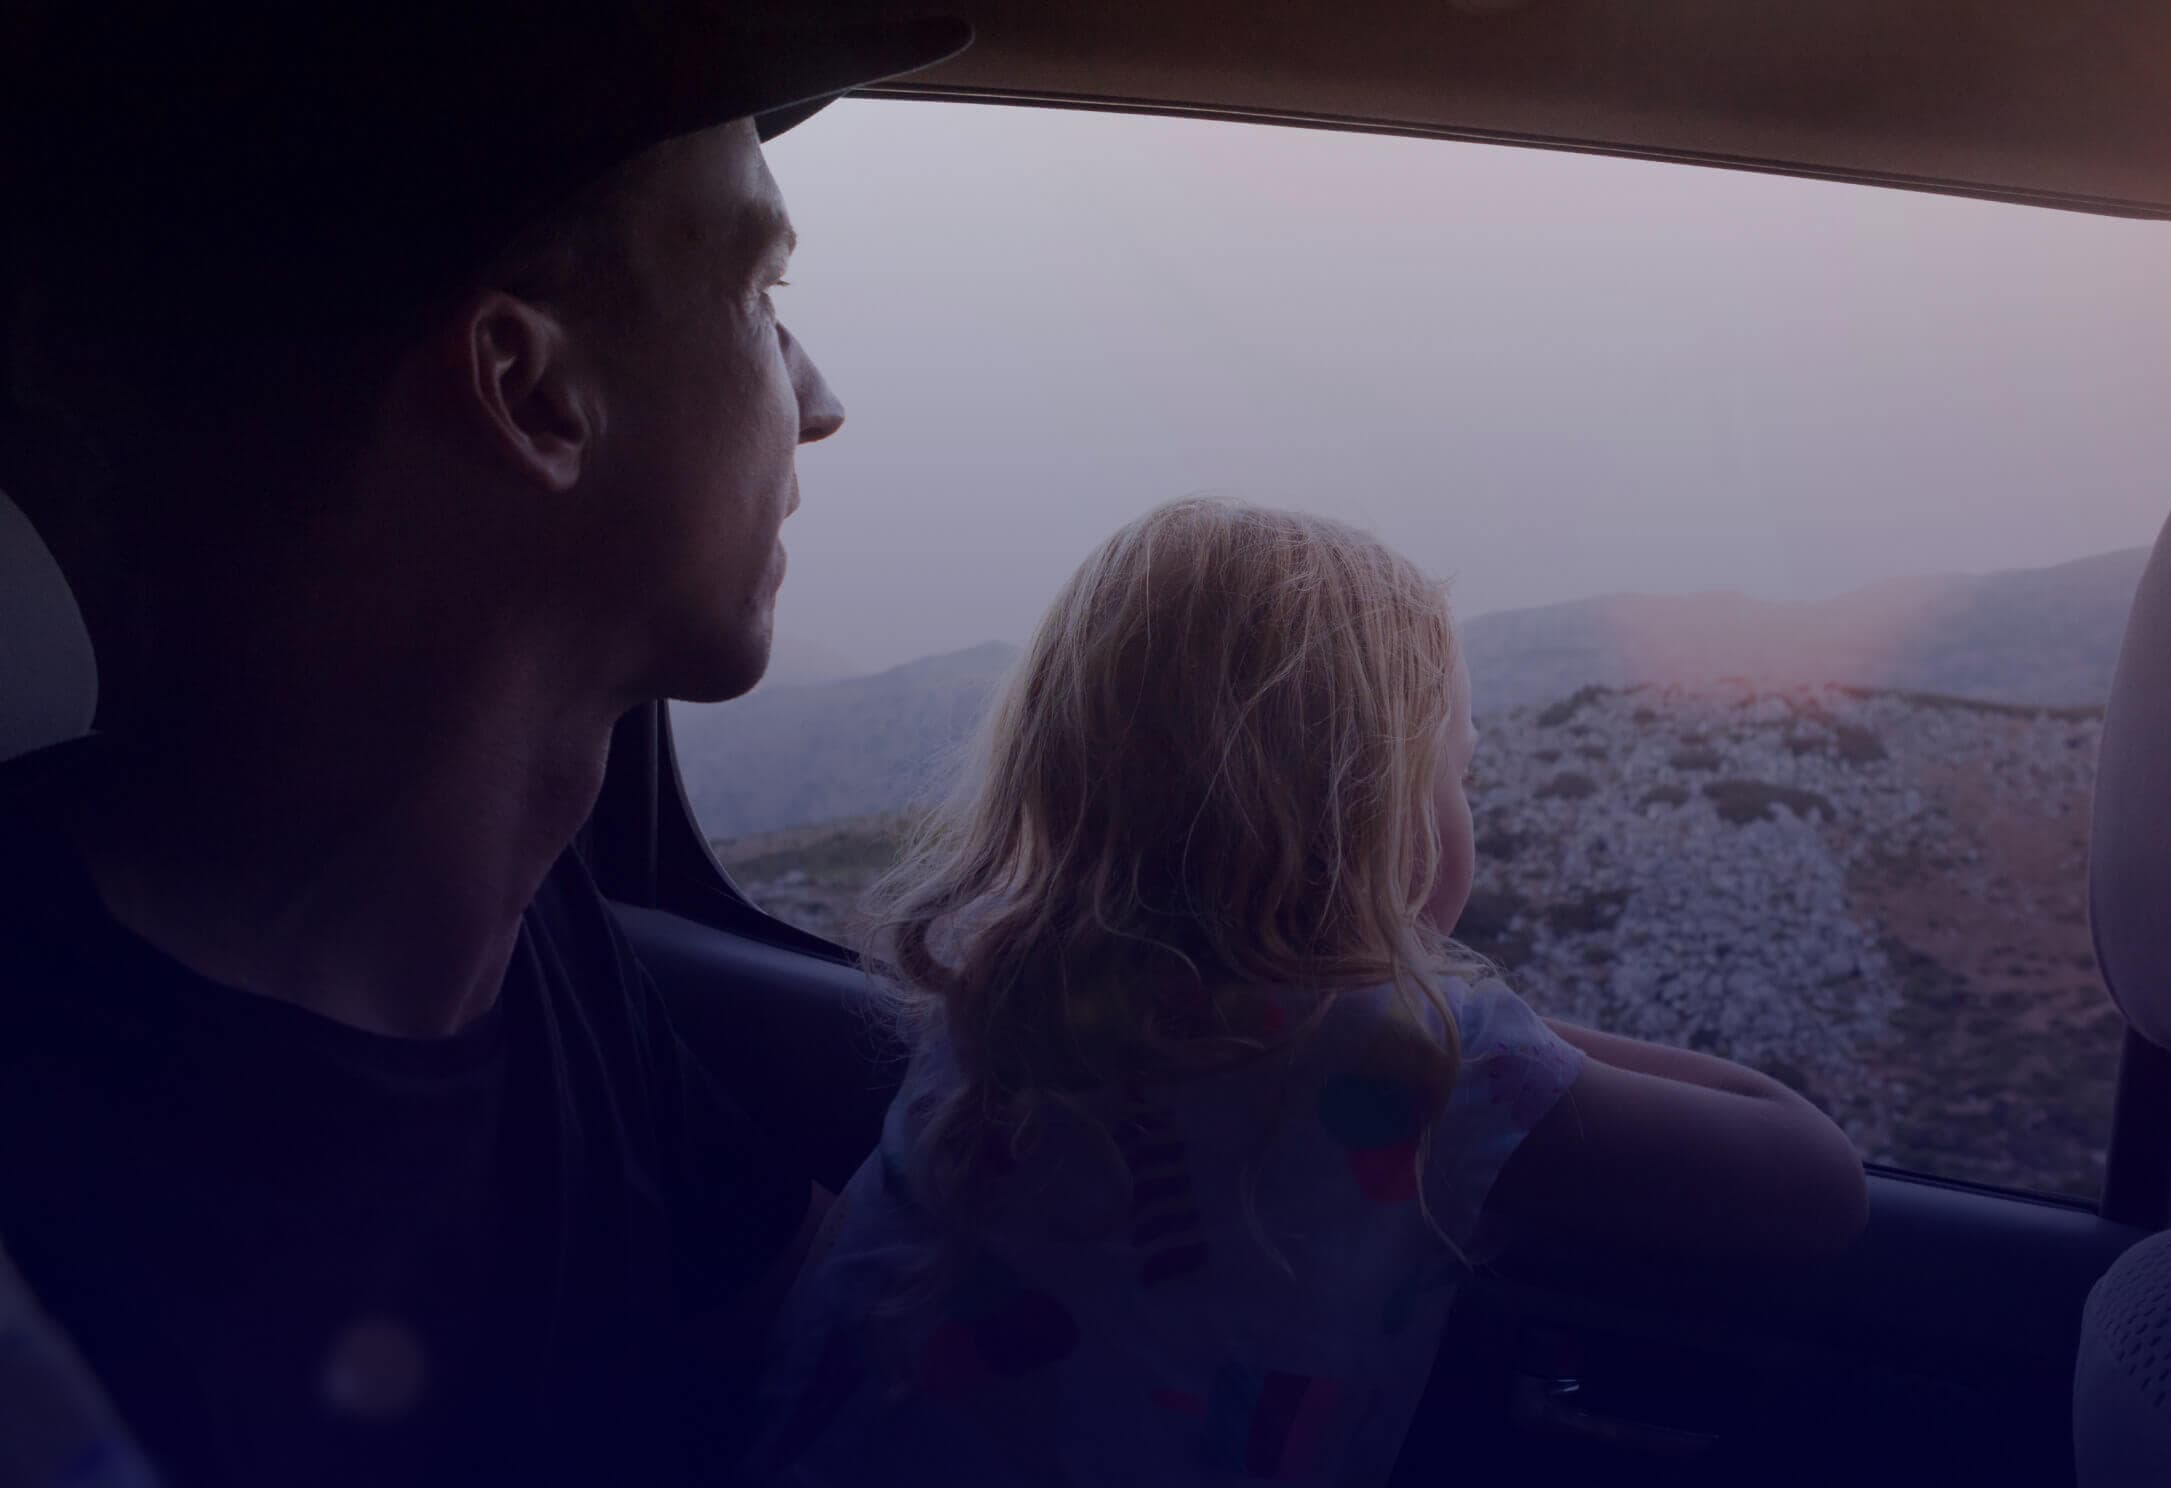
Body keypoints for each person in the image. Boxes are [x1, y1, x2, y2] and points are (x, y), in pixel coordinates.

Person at [0, 3, 969, 1484]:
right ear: (530, 392)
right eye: (763, 296)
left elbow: (833, 1352)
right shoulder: (57, 1178)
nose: (819, 402)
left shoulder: (527, 949)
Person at [756, 498, 1868, 1485]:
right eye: (1456, 773)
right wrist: (1445, 1008)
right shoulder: (1414, 1056)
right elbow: (1809, 1180)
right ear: (1372, 813)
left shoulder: (1004, 989)